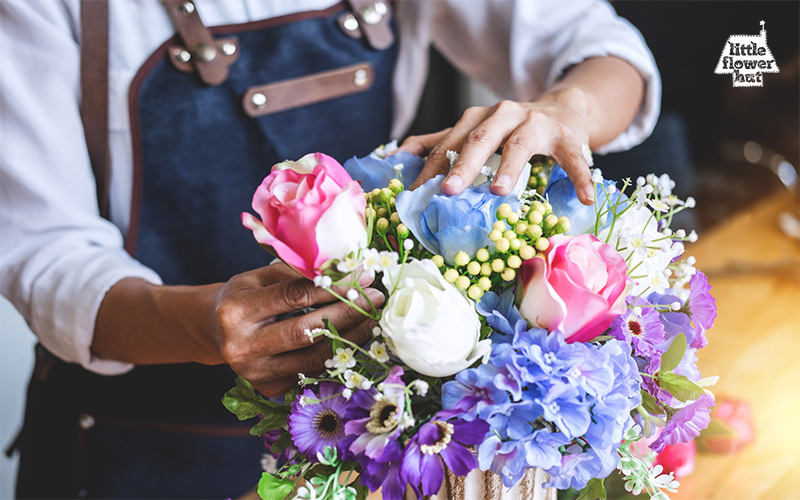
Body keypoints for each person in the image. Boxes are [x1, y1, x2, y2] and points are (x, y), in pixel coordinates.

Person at [0, 0, 659, 498]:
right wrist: (201, 325)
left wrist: (567, 108)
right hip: (132, 448)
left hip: (358, 444)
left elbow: (602, 50)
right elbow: (44, 251)